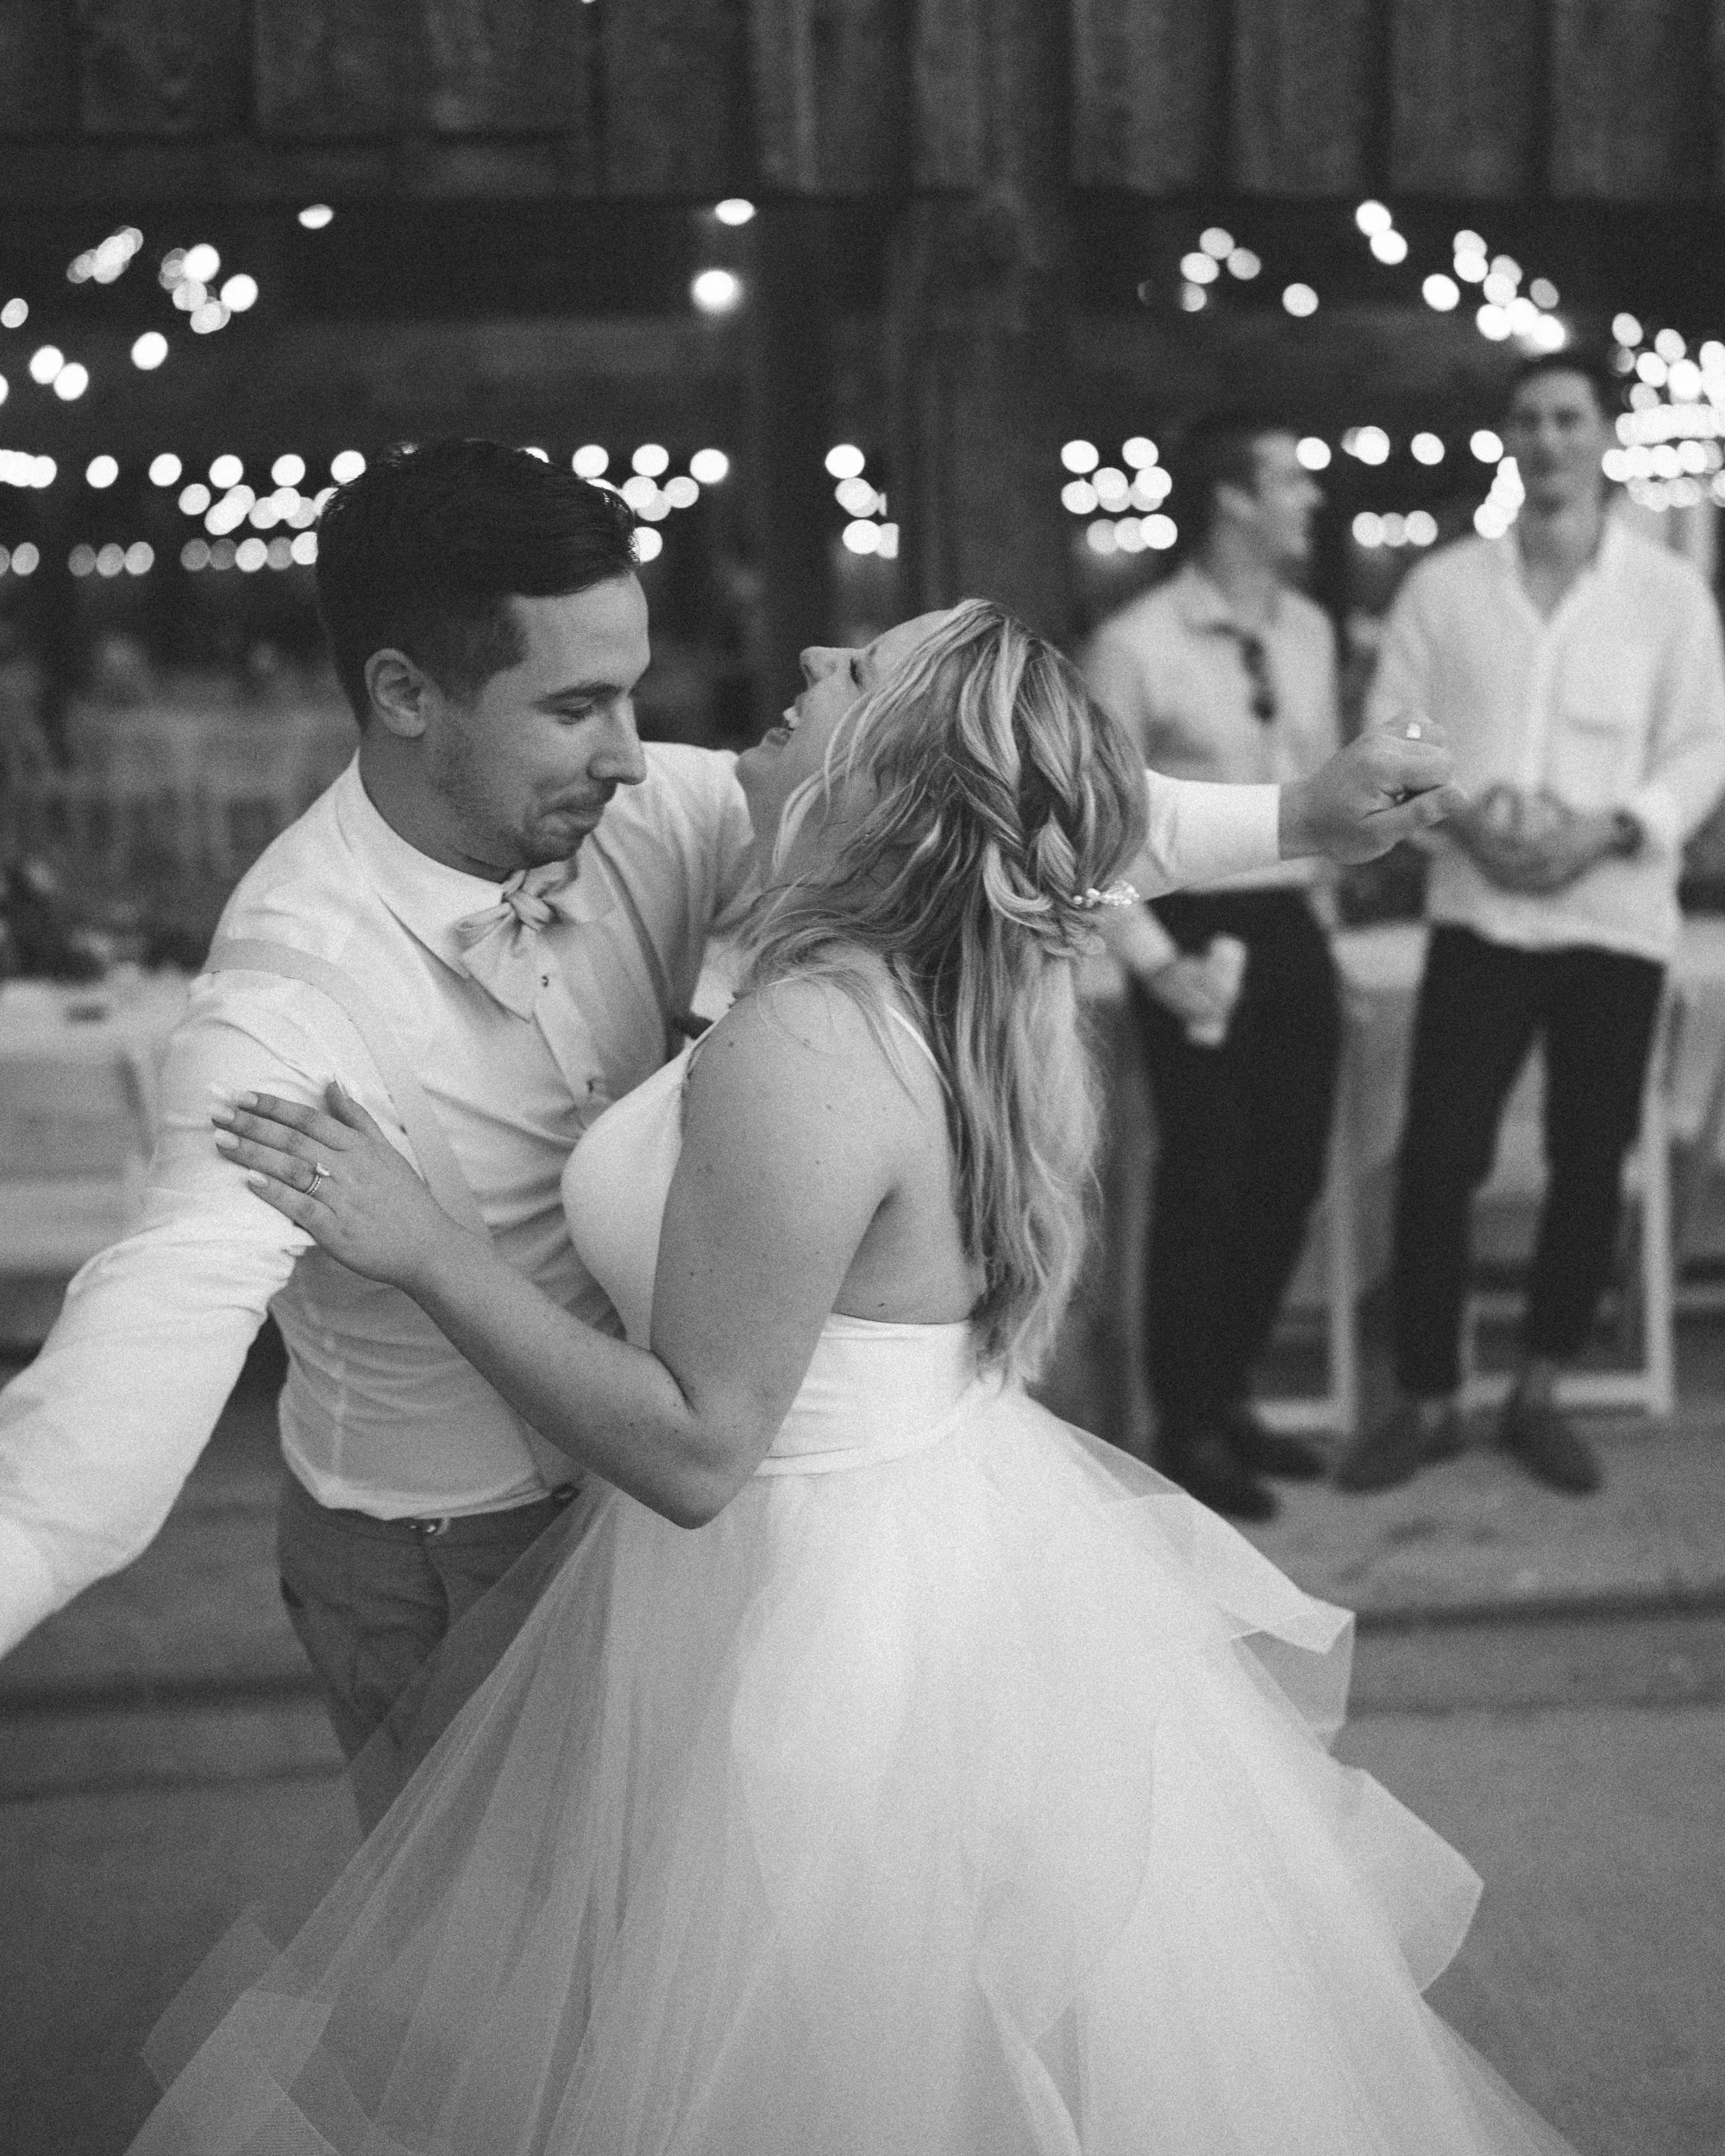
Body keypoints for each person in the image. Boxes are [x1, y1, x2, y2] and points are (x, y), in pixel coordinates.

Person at [126, 599, 1578, 2156]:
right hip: (921, 1549)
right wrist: (1302, 815)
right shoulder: (925, 977)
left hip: (811, 1616)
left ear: (883, 778)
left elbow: (696, 1453)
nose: (809, 666)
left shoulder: (808, 1043)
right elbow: (1066, 820)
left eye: (856, 676)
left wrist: (423, 1243)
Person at [0, 438, 1454, 1777]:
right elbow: (139, 1349)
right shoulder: (284, 993)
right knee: (498, 2009)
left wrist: (1299, 819)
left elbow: (996, 799)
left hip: (671, 1525)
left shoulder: (659, 815)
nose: (635, 756)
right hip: (443, 1552)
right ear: (402, 694)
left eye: (632, 693)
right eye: (575, 709)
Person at [1335, 353, 1725, 1497]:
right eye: (1527, 419)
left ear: (1603, 436)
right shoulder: (1444, 588)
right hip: (1479, 912)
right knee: (1439, 1156)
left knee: (1588, 1160)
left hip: (1615, 919)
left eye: (1568, 418)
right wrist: (1466, 821)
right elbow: (1387, 732)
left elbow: (1705, 747)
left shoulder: (1669, 594)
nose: (1548, 439)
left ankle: (1540, 1386)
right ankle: (1427, 1396)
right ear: (1507, 439)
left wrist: (1606, 831)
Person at [1084, 413, 1342, 1520]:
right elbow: (1085, 828)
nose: (1310, 500)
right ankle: (1182, 1422)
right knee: (1202, 1184)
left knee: (1288, 1177)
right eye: (1290, 479)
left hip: (1291, 929)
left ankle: (1230, 1391)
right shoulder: (1133, 643)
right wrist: (1150, 960)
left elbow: (1314, 797)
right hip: (1184, 931)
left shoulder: (1314, 630)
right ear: (1232, 498)